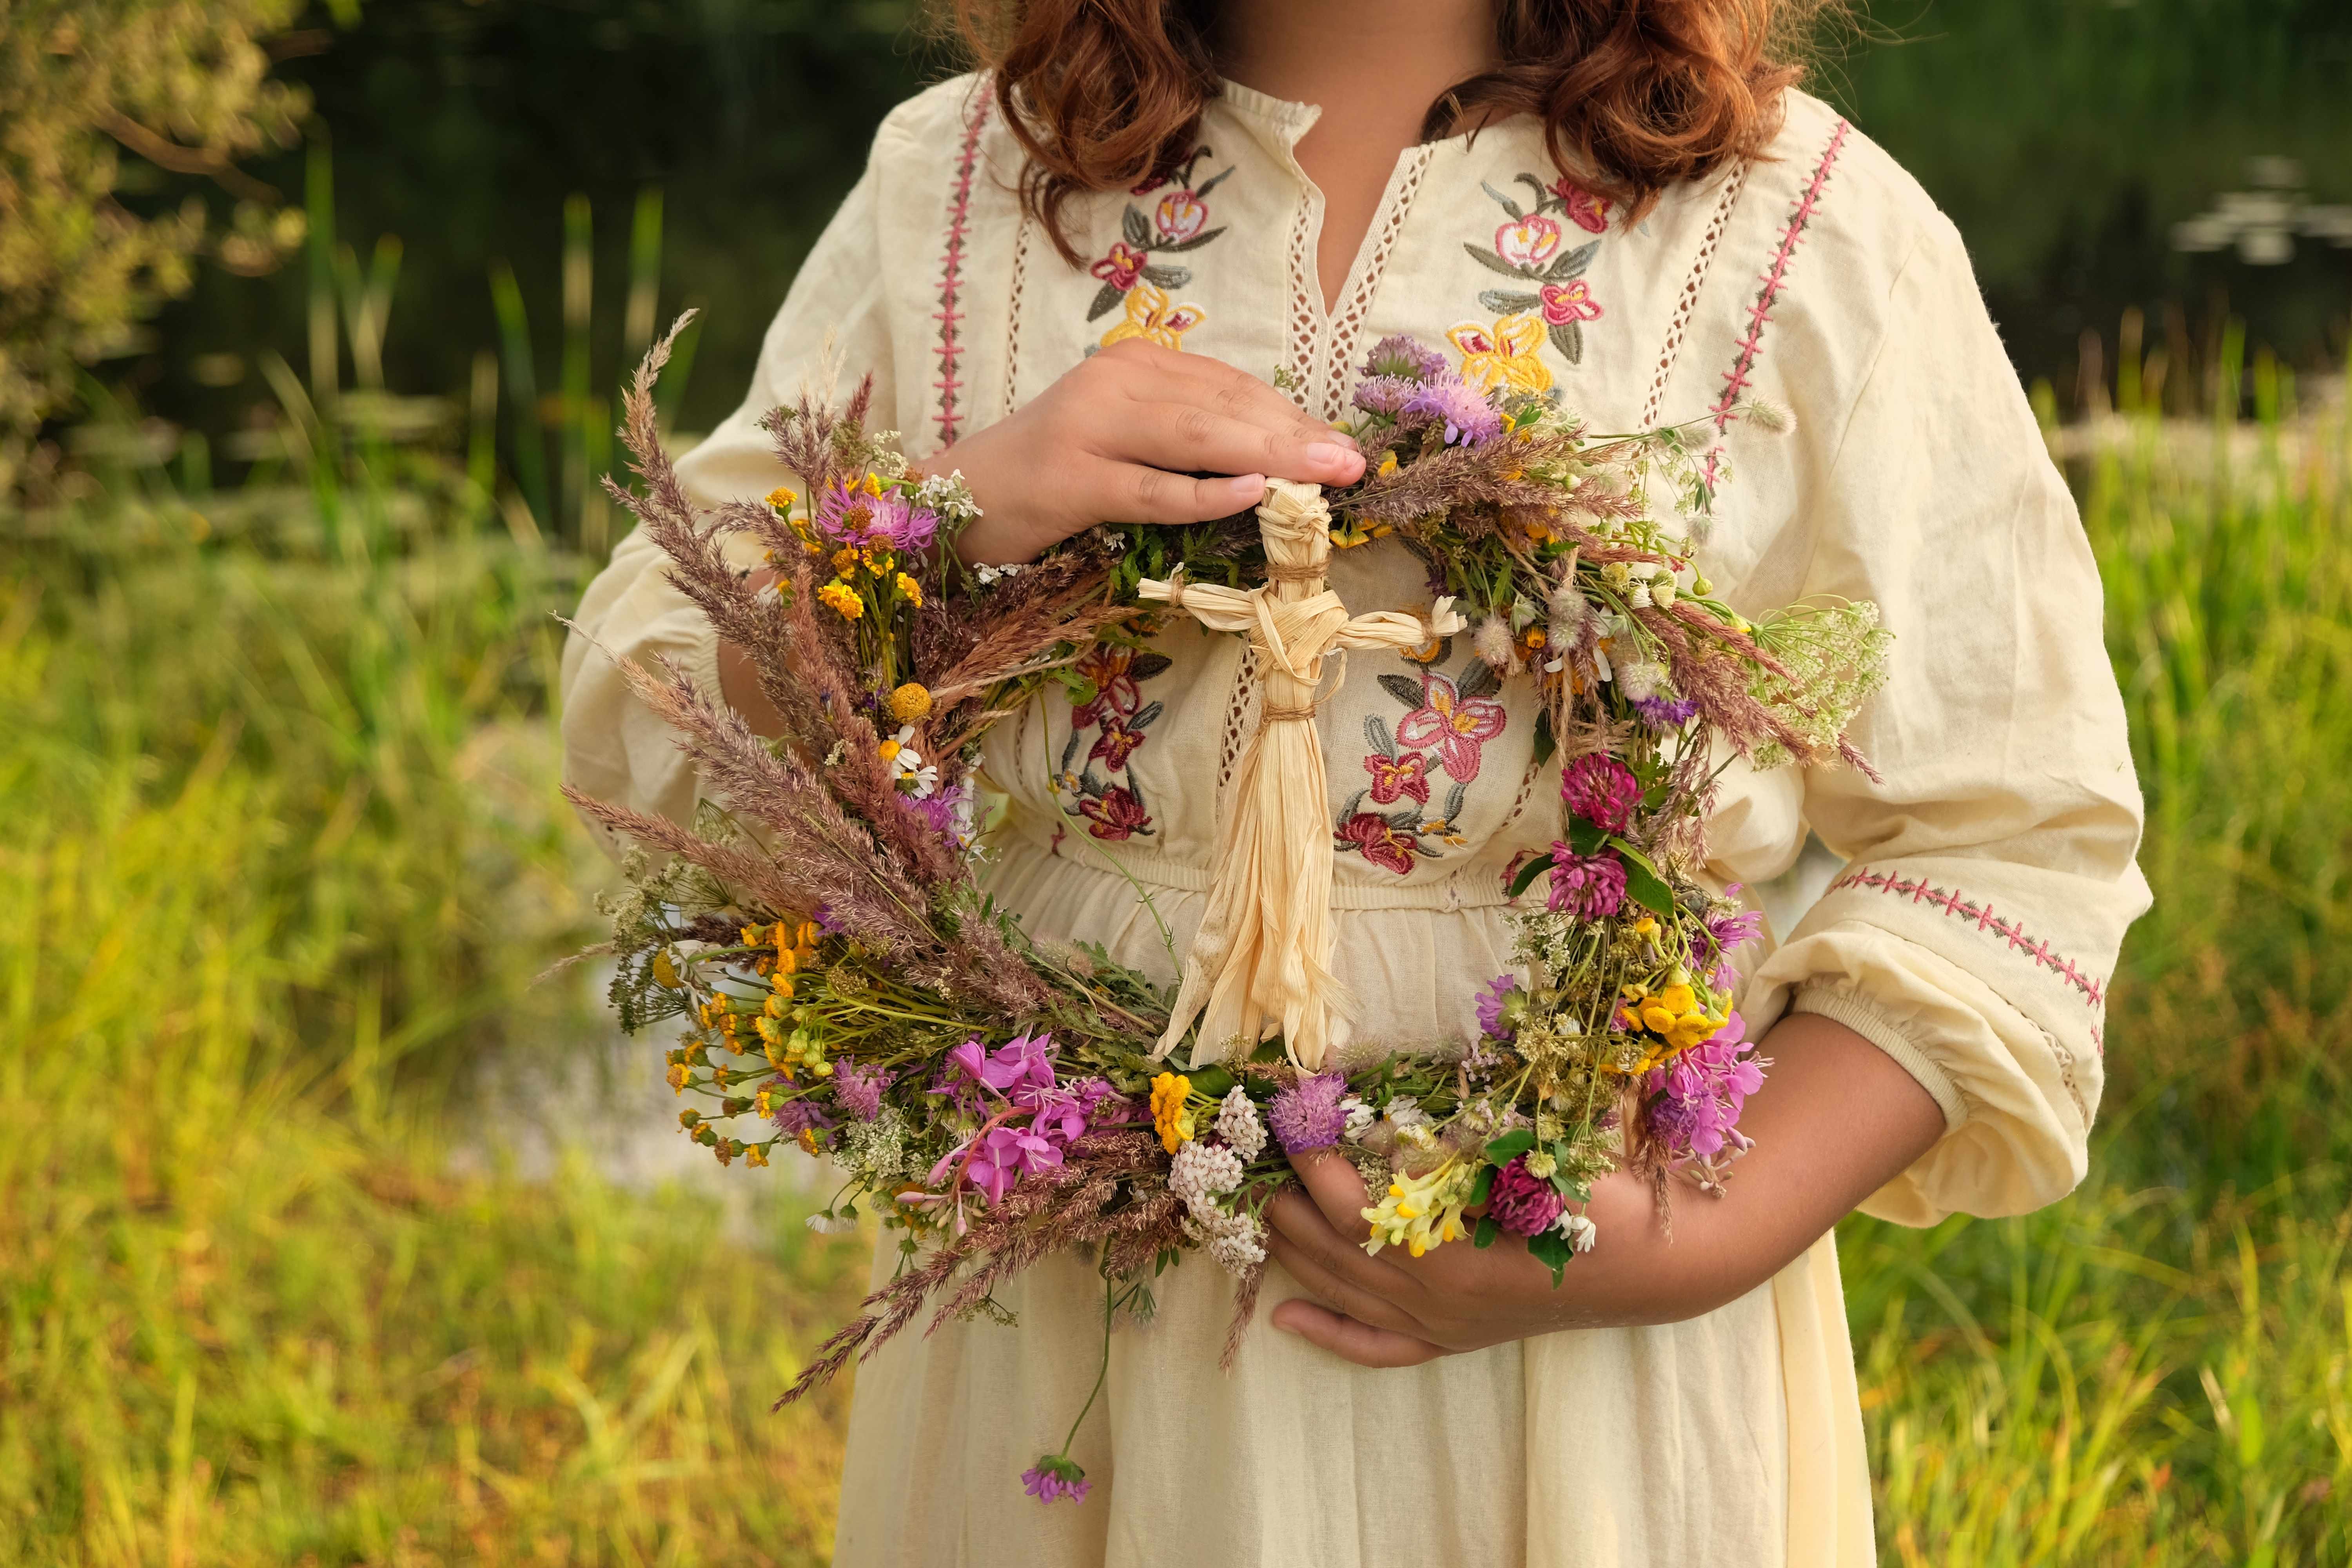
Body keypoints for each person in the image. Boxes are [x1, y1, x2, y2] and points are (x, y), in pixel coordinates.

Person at [561, 1, 2149, 1561]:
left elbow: (2010, 834)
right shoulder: (970, 182)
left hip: (1565, 1334)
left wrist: (1688, 1241)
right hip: (1066, 1310)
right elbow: (653, 672)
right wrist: (948, 513)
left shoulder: (1799, 227)